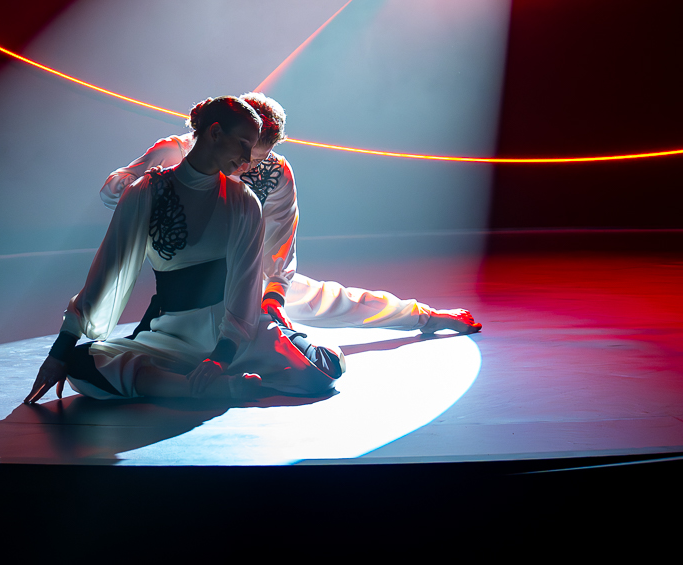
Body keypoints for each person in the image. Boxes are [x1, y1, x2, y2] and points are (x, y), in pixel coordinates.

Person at [25, 96, 340, 405]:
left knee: (322, 370)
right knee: (79, 365)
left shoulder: (244, 200)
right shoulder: (145, 191)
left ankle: (197, 379)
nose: (247, 160)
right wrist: (59, 351)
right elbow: (106, 274)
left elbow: (246, 286)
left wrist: (221, 355)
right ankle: (208, 388)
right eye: (243, 144)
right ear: (215, 133)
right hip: (172, 334)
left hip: (238, 333)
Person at [100, 92, 482, 337]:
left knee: (328, 300)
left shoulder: (276, 173)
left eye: (257, 157)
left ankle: (425, 316)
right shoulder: (179, 150)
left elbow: (280, 244)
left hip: (243, 272)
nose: (244, 164)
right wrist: (123, 185)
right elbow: (120, 184)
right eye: (242, 150)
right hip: (186, 277)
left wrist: (274, 296)